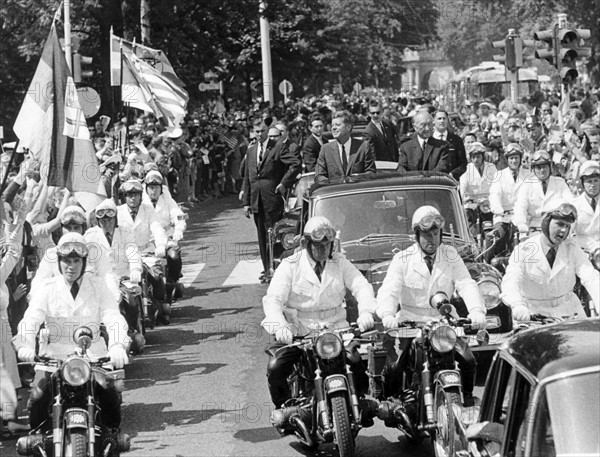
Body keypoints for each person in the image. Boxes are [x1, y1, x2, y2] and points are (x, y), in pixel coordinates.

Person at [14, 232, 130, 429]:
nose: (71, 266)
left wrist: (118, 345)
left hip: (94, 356)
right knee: (37, 397)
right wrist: (24, 343)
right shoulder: (47, 287)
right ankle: (38, 440)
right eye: (66, 260)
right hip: (54, 358)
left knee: (108, 391)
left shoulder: (98, 286)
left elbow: (113, 317)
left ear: (84, 262)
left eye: (77, 260)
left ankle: (111, 440)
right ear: (58, 262)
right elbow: (31, 318)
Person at [262, 216, 376, 412]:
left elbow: (361, 286)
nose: (324, 249)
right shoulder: (290, 265)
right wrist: (281, 327)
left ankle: (360, 401)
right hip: (300, 331)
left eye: (328, 244)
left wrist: (366, 312)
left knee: (356, 362)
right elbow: (272, 300)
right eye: (318, 244)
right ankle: (284, 409)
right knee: (276, 367)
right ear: (306, 244)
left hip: (337, 329)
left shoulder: (339, 262)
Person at [376, 206, 486, 405]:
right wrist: (387, 315)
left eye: (436, 233)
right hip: (410, 324)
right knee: (395, 365)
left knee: (468, 359)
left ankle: (467, 398)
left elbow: (465, 283)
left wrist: (476, 310)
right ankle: (392, 401)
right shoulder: (402, 259)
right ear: (416, 235)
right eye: (427, 234)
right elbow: (389, 290)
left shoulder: (450, 254)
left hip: (443, 323)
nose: (432, 239)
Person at [501, 202, 600, 319]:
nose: (563, 231)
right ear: (546, 223)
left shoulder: (572, 248)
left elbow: (591, 278)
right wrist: (517, 305)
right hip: (534, 313)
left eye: (568, 226)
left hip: (569, 311)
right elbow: (511, 279)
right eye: (559, 224)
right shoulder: (522, 250)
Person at [242, 120, 302, 282]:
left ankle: (276, 268)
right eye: (256, 131)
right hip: (256, 199)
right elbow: (248, 177)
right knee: (262, 236)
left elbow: (295, 164)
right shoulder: (252, 149)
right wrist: (246, 202)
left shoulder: (277, 146)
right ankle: (267, 269)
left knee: (274, 234)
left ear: (267, 131)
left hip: (272, 198)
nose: (259, 134)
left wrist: (283, 183)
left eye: (262, 131)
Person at [143, 170, 186, 301]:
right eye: (150, 187)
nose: (153, 191)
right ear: (146, 188)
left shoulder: (168, 201)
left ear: (161, 188)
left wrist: (178, 230)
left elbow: (179, 216)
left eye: (156, 187)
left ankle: (172, 281)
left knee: (174, 256)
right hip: (148, 242)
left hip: (167, 239)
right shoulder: (141, 203)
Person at [513, 150, 573, 232]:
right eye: (538, 167)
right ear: (533, 169)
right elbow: (520, 206)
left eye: (544, 166)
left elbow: (570, 202)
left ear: (550, 167)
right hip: (534, 227)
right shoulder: (527, 185)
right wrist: (521, 223)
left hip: (556, 226)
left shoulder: (560, 182)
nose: (542, 170)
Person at [488, 144, 530, 261]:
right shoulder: (499, 175)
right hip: (503, 216)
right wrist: (498, 209)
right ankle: (488, 264)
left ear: (520, 159)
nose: (514, 161)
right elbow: (495, 194)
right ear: (507, 159)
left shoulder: (528, 175)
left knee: (527, 241)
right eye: (511, 158)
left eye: (516, 158)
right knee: (496, 237)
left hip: (521, 217)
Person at [314, 111, 376, 183]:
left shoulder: (363, 146)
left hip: (357, 191)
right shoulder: (325, 149)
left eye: (337, 125)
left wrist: (355, 179)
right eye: (332, 125)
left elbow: (371, 172)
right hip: (335, 191)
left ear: (348, 127)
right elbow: (319, 176)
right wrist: (332, 183)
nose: (333, 128)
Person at [460, 142, 498, 231]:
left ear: (483, 156)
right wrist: (463, 200)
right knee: (469, 225)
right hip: (472, 204)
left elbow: (497, 185)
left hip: (488, 203)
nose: (476, 160)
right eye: (473, 157)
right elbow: (462, 188)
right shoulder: (467, 170)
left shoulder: (492, 168)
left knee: (493, 224)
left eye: (478, 157)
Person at [571, 160, 599, 252]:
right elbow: (569, 232)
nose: (593, 185)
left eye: (596, 181)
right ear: (583, 183)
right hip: (582, 251)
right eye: (589, 181)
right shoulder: (575, 205)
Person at [432, 109, 468, 180]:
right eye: (439, 118)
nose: (442, 121)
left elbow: (463, 164)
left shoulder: (456, 140)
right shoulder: (429, 140)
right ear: (434, 121)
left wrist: (453, 174)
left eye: (444, 118)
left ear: (447, 120)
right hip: (432, 181)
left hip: (451, 181)